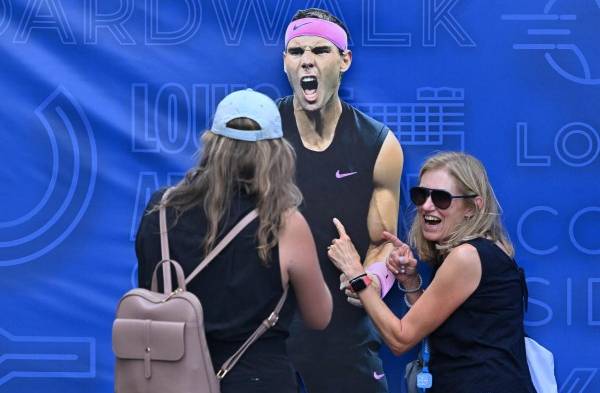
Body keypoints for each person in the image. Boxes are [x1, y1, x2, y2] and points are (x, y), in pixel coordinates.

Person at [135, 89, 332, 393]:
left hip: (169, 379)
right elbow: (319, 316)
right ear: (276, 153)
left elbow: (152, 292)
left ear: (212, 145)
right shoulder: (284, 224)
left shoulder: (160, 210)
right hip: (257, 380)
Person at [327, 151, 536, 393]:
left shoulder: (466, 257)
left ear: (472, 207)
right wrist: (411, 281)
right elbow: (451, 329)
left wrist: (355, 272)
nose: (426, 206)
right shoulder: (481, 252)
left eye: (441, 198)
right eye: (420, 195)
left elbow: (401, 339)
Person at [278, 7, 404, 393]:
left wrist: (370, 278)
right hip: (265, 332)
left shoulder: (378, 145)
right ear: (285, 63)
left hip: (344, 334)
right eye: (296, 52)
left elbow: (384, 242)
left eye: (320, 50)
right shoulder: (261, 139)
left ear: (344, 60)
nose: (307, 61)